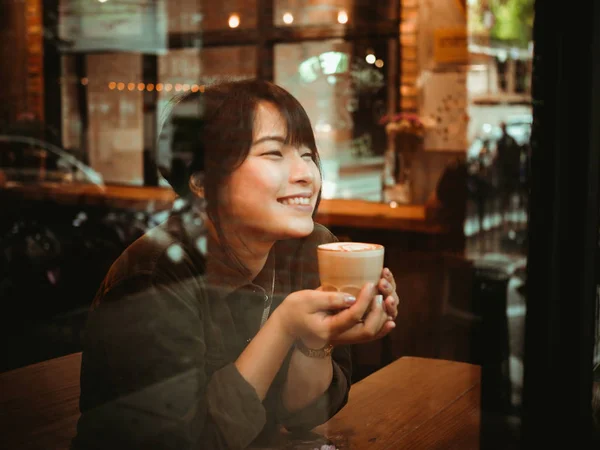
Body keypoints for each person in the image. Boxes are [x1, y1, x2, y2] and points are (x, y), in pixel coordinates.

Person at [71, 80, 400, 450]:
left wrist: (315, 339)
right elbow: (189, 442)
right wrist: (284, 325)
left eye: (307, 155)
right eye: (274, 153)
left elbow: (304, 415)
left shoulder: (311, 248)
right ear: (202, 181)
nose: (306, 175)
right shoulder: (155, 275)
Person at [494, 121, 521, 227]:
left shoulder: (504, 141)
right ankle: (505, 216)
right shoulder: (507, 140)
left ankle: (505, 216)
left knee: (505, 194)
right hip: (508, 172)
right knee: (506, 194)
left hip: (506, 172)